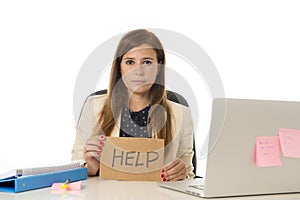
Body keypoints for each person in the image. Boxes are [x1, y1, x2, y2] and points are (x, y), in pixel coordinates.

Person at [71, 29, 195, 181]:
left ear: (159, 66)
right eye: (130, 62)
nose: (138, 71)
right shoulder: (94, 107)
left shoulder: (182, 114)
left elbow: (190, 175)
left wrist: (182, 173)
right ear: (120, 66)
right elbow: (75, 169)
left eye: (147, 62)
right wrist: (90, 168)